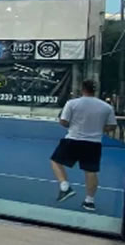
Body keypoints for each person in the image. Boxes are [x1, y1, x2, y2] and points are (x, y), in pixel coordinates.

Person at [50, 79, 117, 211]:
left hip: (73, 140)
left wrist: (73, 125)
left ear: (82, 89)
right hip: (93, 143)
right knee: (91, 171)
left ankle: (65, 187)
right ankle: (89, 201)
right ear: (95, 90)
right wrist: (98, 128)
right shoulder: (106, 107)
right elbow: (112, 126)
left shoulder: (72, 103)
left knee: (55, 161)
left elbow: (63, 122)